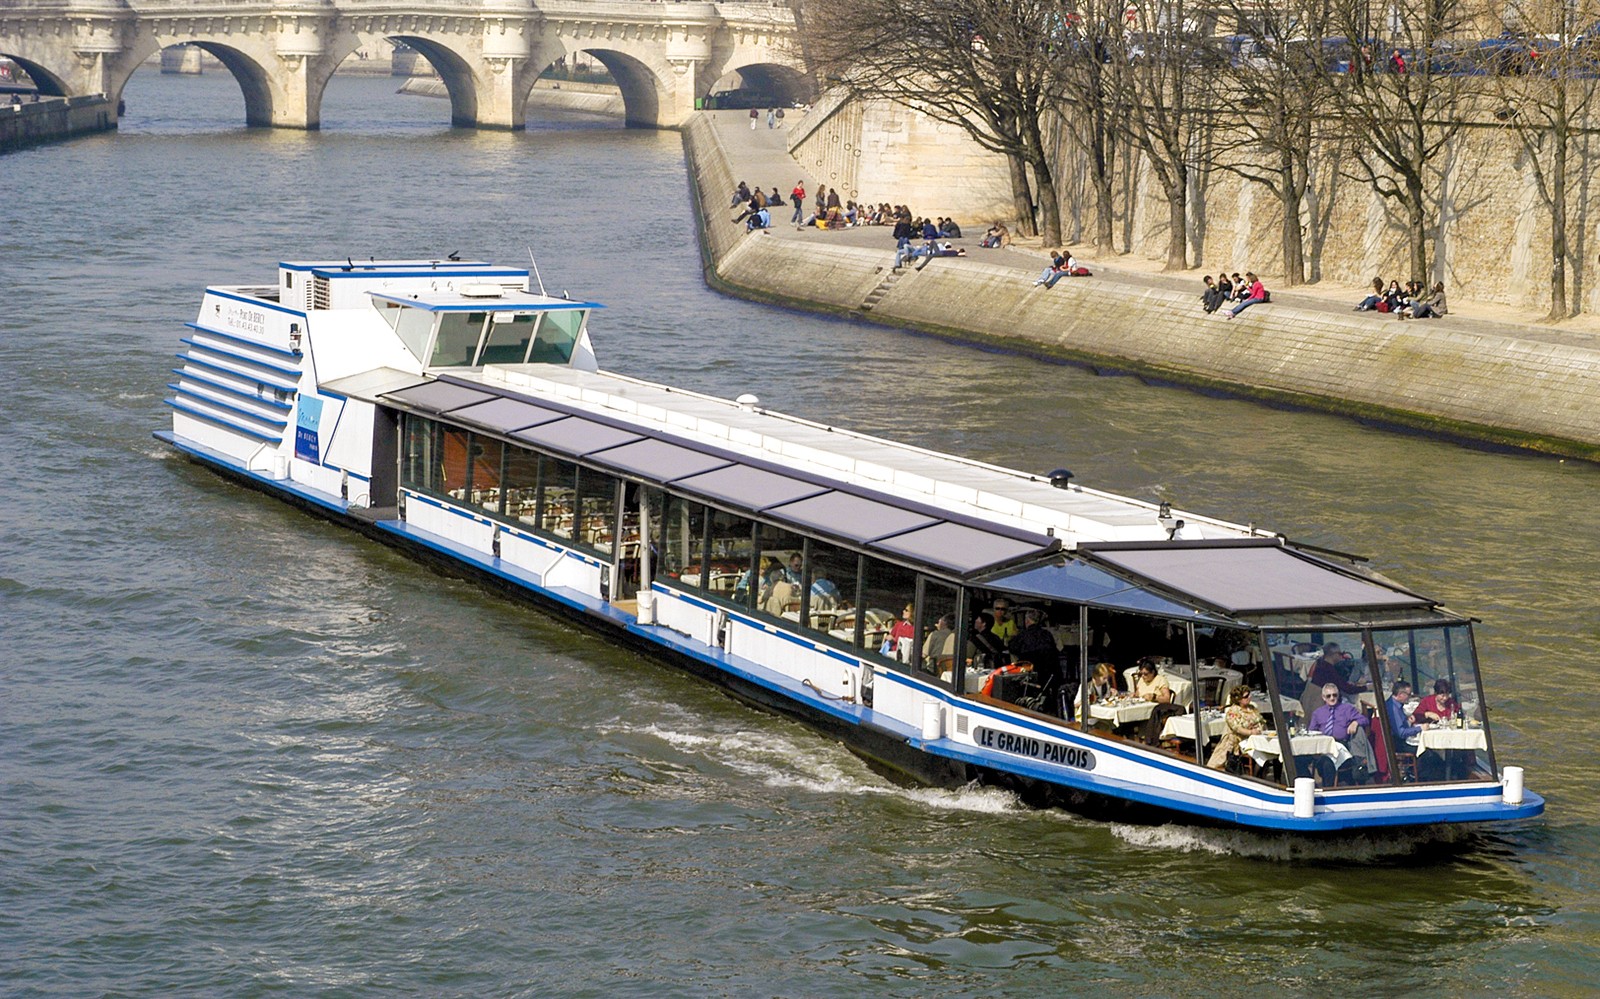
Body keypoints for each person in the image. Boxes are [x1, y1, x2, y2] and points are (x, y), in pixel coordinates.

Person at [1307, 682, 1376, 781]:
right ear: (1323, 697)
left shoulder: (1347, 709)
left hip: (1341, 745)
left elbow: (1365, 720)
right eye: (1328, 696)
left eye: (1334, 695)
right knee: (1318, 761)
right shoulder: (1318, 713)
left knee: (1328, 763)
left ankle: (1329, 790)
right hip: (1324, 746)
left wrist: (1355, 722)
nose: (1332, 698)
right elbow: (1311, 731)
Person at [1009, 608, 1068, 717]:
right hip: (1050, 674)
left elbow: (1011, 648)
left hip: (1031, 675)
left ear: (1027, 621)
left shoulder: (1022, 636)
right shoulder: (1047, 635)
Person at [1207, 686, 1266, 769]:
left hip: (1255, 739)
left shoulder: (1252, 708)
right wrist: (1250, 732)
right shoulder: (1233, 711)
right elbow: (1236, 728)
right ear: (1239, 699)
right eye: (1246, 696)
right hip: (1236, 742)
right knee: (1216, 766)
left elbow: (1260, 720)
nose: (1249, 697)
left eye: (1249, 695)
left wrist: (1260, 728)